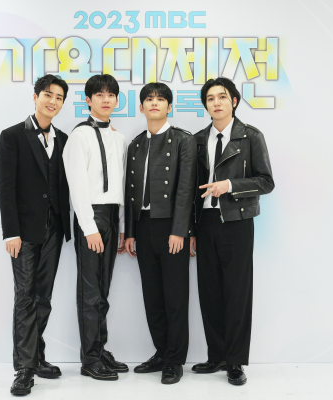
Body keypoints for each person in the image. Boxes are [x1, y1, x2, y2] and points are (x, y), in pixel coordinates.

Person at [190, 77, 275, 386]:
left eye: (222, 97)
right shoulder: (198, 140)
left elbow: (266, 181)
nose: (216, 102)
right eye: (211, 98)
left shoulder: (250, 136)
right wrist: (190, 230)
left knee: (237, 292)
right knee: (209, 291)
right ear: (206, 104)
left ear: (234, 101)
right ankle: (216, 355)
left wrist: (229, 186)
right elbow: (190, 189)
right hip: (205, 223)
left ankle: (235, 361)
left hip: (237, 222)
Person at [0, 74, 71, 395]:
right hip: (24, 232)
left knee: (43, 297)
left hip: (55, 228)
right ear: (35, 96)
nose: (53, 101)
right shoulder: (12, 135)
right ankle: (24, 369)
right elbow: (5, 187)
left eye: (59, 97)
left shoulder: (64, 139)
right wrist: (10, 232)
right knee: (25, 297)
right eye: (48, 95)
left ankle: (36, 356)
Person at [124, 82, 196, 384]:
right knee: (152, 296)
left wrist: (180, 230)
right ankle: (162, 352)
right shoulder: (136, 144)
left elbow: (186, 189)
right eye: (149, 99)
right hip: (143, 225)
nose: (154, 103)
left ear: (170, 106)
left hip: (171, 227)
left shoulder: (183, 140)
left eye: (161, 99)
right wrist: (129, 232)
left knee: (175, 296)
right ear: (141, 107)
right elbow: (129, 192)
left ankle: (175, 360)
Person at [62, 74, 128, 381]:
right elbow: (76, 184)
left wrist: (122, 227)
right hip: (91, 216)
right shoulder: (80, 135)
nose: (105, 99)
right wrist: (88, 227)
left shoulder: (119, 137)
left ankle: (99, 350)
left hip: (112, 216)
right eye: (99, 95)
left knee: (103, 290)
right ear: (88, 100)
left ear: (116, 100)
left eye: (110, 94)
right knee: (89, 290)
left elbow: (121, 186)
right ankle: (89, 358)